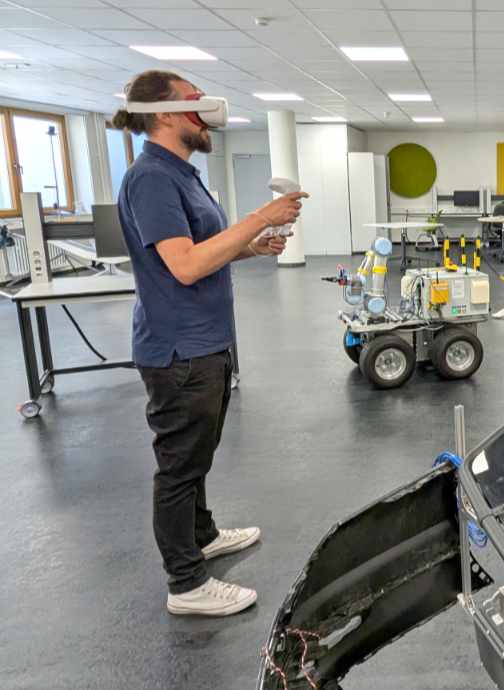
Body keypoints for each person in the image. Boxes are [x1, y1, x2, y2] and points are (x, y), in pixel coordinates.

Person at [113, 70, 309, 617]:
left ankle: (202, 536)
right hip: (178, 350)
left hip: (206, 342)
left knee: (199, 453)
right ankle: (186, 583)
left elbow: (204, 249)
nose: (205, 112)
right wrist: (260, 217)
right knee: (179, 467)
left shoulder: (182, 173)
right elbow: (184, 266)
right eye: (193, 101)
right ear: (164, 113)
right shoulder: (152, 179)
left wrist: (253, 246)